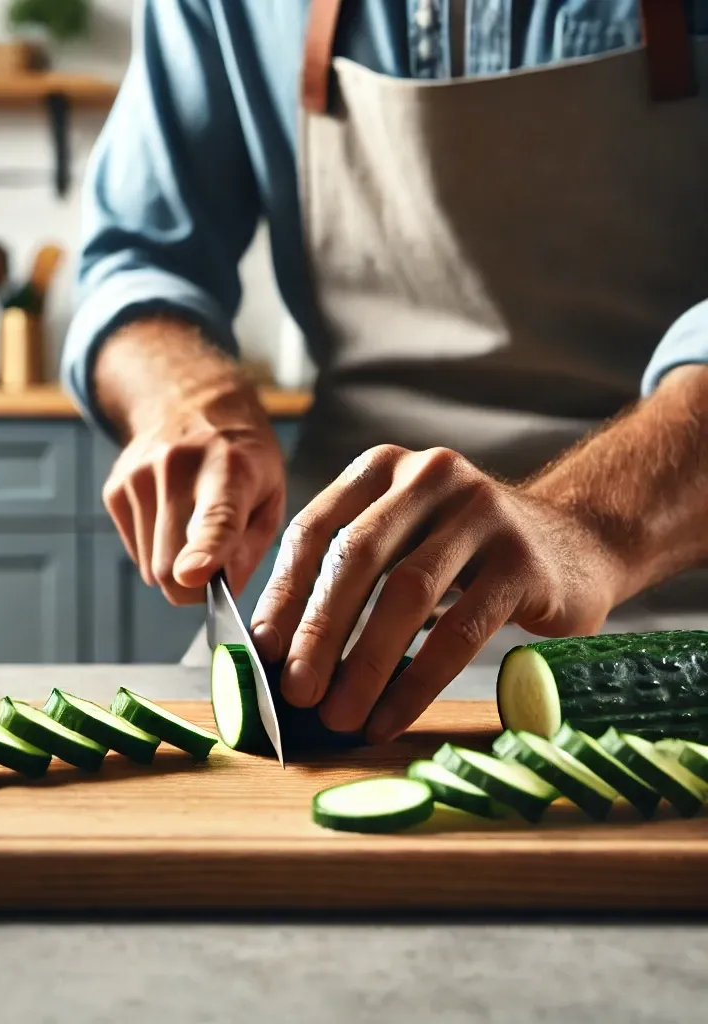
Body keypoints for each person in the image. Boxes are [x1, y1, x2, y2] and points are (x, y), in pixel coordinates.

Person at [61, 0, 708, 743]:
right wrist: (190, 397)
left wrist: (593, 525)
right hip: (327, 606)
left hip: (673, 613)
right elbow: (137, 260)